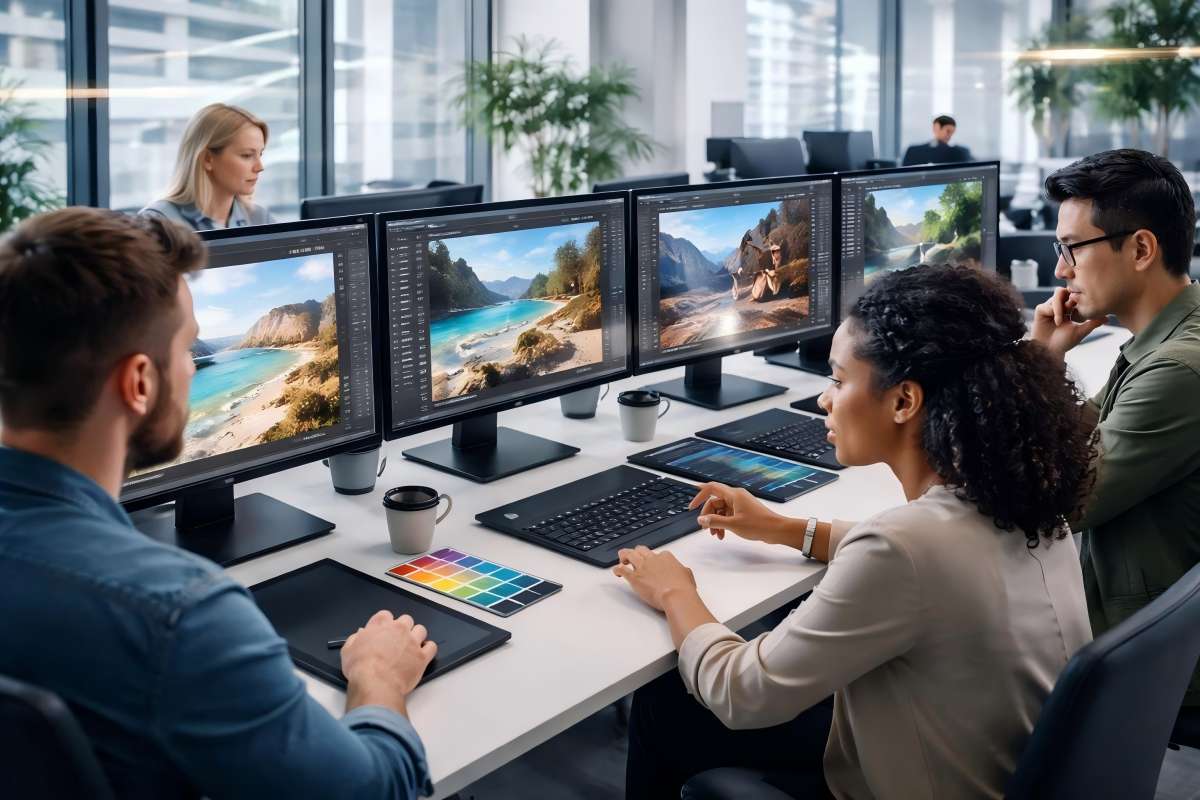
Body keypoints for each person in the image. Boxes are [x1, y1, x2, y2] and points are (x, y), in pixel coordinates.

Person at [0, 208, 435, 798]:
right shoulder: (179, 616)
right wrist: (378, 679)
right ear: (139, 384)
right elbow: (373, 791)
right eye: (186, 348)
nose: (192, 366)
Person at [616, 264, 1095, 799]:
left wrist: (676, 592)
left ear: (903, 401)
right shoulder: (1023, 500)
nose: (825, 398)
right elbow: (926, 561)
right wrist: (783, 527)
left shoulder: (903, 549)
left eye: (840, 381)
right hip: (986, 766)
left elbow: (742, 693)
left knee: (666, 699)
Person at [1031, 148, 1200, 709]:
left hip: (1146, 650)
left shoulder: (1177, 370)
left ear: (1142, 248)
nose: (1061, 270)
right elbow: (1082, 436)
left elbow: (1056, 500)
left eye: (1072, 248)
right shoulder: (1167, 340)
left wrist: (1035, 367)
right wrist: (1048, 361)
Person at [141, 103, 274, 230]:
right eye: (246, 155)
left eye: (260, 154)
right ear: (207, 159)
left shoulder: (261, 219)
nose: (260, 167)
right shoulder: (157, 223)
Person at [901, 114, 973, 166]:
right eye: (948, 131)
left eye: (952, 132)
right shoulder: (914, 151)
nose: (950, 135)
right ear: (936, 128)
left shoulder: (959, 152)